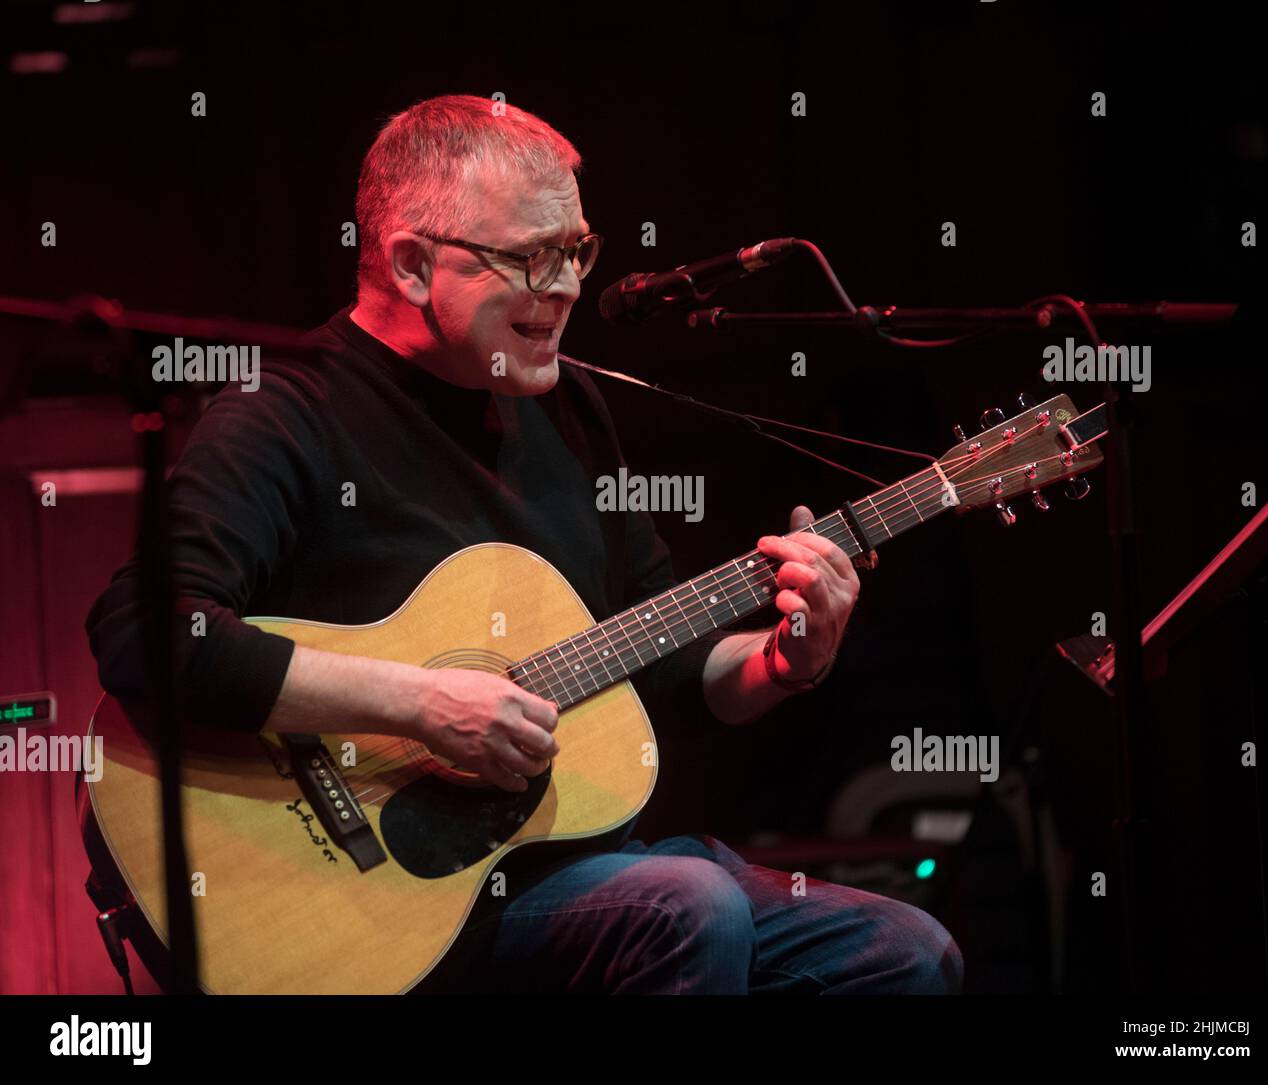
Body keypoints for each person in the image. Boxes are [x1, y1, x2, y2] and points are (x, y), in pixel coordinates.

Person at [86, 94, 963, 994]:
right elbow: (148, 632)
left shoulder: (570, 410)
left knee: (902, 953)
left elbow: (667, 670)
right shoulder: (283, 415)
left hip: (576, 870)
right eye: (531, 257)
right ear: (412, 264)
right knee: (691, 905)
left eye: (579, 249)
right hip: (375, 901)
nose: (570, 285)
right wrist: (422, 703)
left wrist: (785, 658)